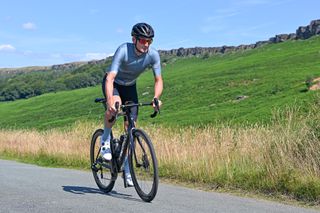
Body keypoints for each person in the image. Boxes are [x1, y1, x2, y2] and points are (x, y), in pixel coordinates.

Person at [101, 22, 163, 186]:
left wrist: (156, 97)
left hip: (130, 87)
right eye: (143, 40)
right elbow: (110, 78)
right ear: (134, 39)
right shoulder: (123, 50)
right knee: (114, 107)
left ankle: (127, 167)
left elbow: (158, 80)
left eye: (149, 41)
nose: (146, 44)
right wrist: (110, 100)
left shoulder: (153, 55)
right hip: (114, 84)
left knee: (131, 127)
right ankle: (105, 140)